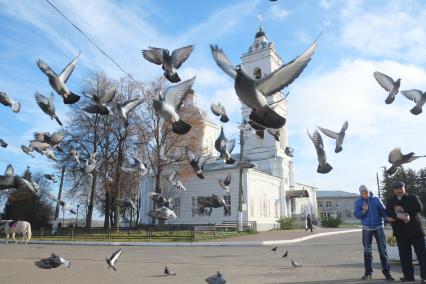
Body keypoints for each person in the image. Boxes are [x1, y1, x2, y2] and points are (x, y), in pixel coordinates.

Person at [385, 181, 426, 283]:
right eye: (396, 188)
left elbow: (419, 207)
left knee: (423, 255)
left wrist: (402, 209)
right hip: (401, 233)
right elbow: (388, 212)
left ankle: (424, 276)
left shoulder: (412, 197)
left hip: (416, 231)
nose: (399, 190)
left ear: (404, 188)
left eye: (400, 188)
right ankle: (408, 276)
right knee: (404, 256)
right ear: (394, 190)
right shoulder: (391, 201)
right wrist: (398, 215)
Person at [354, 185, 394, 281]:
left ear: (369, 191)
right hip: (367, 228)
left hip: (379, 227)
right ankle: (368, 273)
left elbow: (383, 212)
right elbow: (357, 215)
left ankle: (387, 272)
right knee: (367, 251)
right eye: (363, 193)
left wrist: (388, 218)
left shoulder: (376, 199)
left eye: (366, 192)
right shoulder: (358, 202)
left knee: (383, 251)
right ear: (360, 193)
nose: (365, 195)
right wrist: (364, 210)